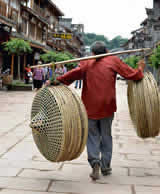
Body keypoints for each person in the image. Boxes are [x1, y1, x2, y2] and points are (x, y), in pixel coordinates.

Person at [51, 41, 145, 180]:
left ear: (93, 53)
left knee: (92, 136)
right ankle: (105, 166)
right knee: (106, 136)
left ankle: (95, 161)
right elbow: (133, 75)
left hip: (89, 107)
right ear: (107, 51)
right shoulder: (114, 60)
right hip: (107, 106)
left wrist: (56, 80)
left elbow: (72, 75)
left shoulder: (86, 63)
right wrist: (140, 68)